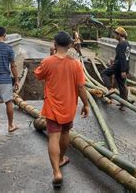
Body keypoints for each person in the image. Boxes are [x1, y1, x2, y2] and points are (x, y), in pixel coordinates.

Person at [34, 31, 90, 189]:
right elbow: (81, 87)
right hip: (69, 107)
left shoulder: (47, 61)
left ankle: (57, 172)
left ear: (54, 43)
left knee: (53, 137)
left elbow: (38, 75)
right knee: (65, 134)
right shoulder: (76, 64)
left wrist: (50, 56)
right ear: (70, 45)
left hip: (52, 107)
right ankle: (61, 158)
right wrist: (86, 105)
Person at [101, 27, 131, 111]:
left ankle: (110, 89)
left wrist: (123, 70)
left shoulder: (121, 44)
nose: (114, 36)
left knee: (104, 73)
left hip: (119, 66)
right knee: (121, 85)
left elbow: (123, 58)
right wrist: (115, 60)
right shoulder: (127, 43)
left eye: (116, 34)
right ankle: (123, 104)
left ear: (119, 35)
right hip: (123, 65)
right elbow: (126, 57)